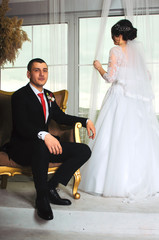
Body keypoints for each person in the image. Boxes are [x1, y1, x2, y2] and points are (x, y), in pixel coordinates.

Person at [79, 19, 159, 202]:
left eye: (114, 35)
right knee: (136, 137)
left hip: (119, 97)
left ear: (121, 35)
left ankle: (110, 182)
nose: (113, 39)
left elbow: (110, 77)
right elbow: (147, 75)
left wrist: (99, 68)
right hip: (135, 100)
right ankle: (147, 181)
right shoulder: (137, 51)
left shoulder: (115, 51)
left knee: (113, 135)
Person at [7, 58, 96, 220]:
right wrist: (45, 135)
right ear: (28, 74)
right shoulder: (19, 96)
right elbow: (22, 126)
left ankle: (50, 187)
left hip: (43, 148)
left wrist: (86, 121)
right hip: (23, 148)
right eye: (37, 70)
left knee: (84, 150)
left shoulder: (49, 96)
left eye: (45, 70)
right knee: (41, 146)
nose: (42, 74)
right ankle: (41, 197)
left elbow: (61, 117)